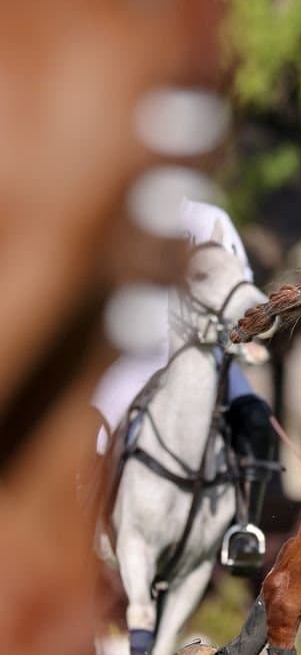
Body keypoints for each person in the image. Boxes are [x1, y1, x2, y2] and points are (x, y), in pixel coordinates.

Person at [91, 197, 278, 571]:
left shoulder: (210, 219)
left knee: (257, 421)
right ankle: (87, 521)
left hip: (207, 354)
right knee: (92, 427)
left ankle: (243, 530)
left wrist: (240, 331)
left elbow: (239, 287)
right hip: (140, 353)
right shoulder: (127, 211)